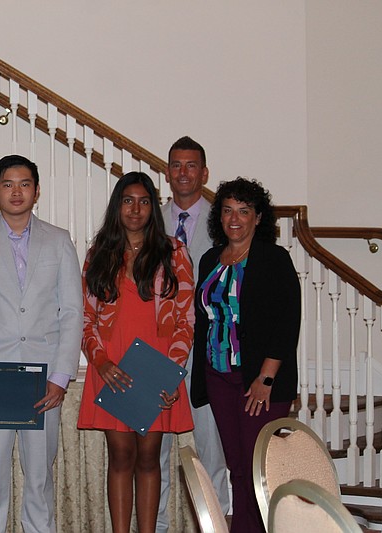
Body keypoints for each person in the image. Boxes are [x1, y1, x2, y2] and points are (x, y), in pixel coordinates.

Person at [0, 154, 82, 533]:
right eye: (8, 184)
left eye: (24, 183)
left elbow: (72, 312)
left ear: (37, 191)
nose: (16, 191)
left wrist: (61, 376)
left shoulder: (59, 241)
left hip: (44, 380)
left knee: (40, 478)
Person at [78, 171, 194, 533]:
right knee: (121, 457)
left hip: (156, 368)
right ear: (118, 205)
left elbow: (186, 319)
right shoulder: (99, 253)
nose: (136, 209)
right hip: (112, 368)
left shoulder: (173, 251)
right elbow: (86, 319)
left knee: (148, 458)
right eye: (128, 200)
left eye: (144, 202)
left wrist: (171, 373)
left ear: (153, 208)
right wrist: (101, 363)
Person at [191, 177, 300, 533]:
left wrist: (266, 378)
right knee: (236, 466)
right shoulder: (210, 259)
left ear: (258, 217)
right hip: (219, 375)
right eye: (227, 210)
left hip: (259, 380)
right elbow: (204, 317)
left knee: (260, 468)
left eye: (243, 211)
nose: (234, 218)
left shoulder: (273, 258)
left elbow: (287, 322)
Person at [157, 136, 230, 532]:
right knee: (156, 453)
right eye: (176, 165)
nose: (183, 173)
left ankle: (215, 525)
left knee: (210, 451)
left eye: (191, 165)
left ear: (204, 173)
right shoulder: (150, 218)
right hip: (158, 350)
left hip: (209, 352)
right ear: (167, 173)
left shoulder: (226, 222)